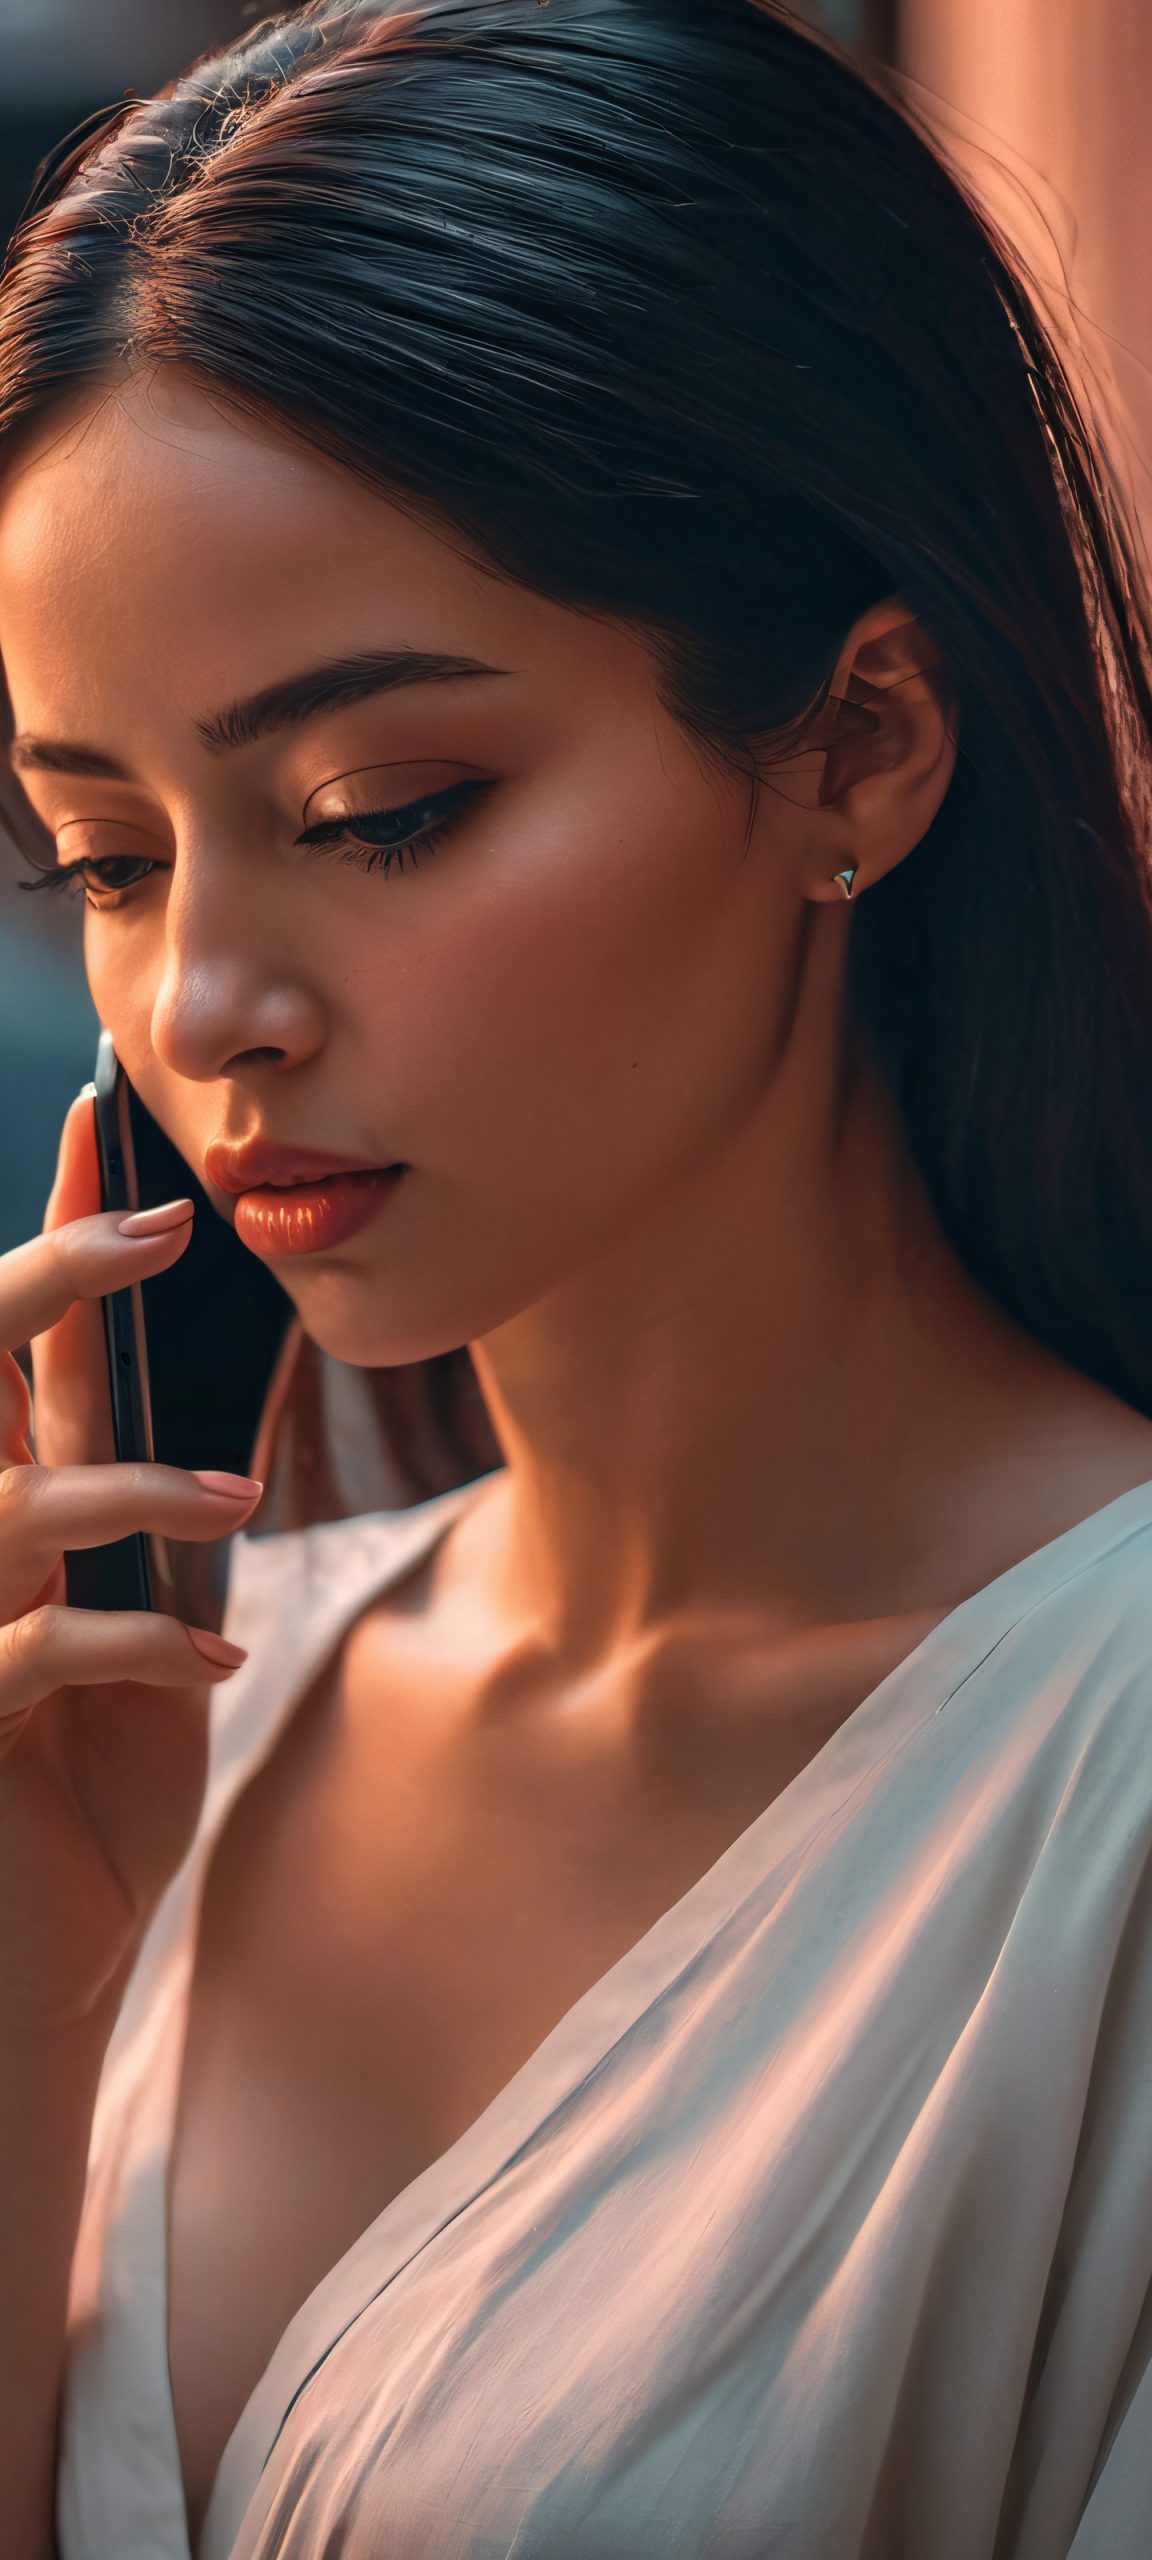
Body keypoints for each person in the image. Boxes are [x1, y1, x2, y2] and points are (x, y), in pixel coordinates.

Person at [2, 1, 1152, 2552]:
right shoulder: (146, 1735)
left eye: (378, 809)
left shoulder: (1108, 1776)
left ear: (858, 742)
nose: (205, 1007)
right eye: (109, 858)